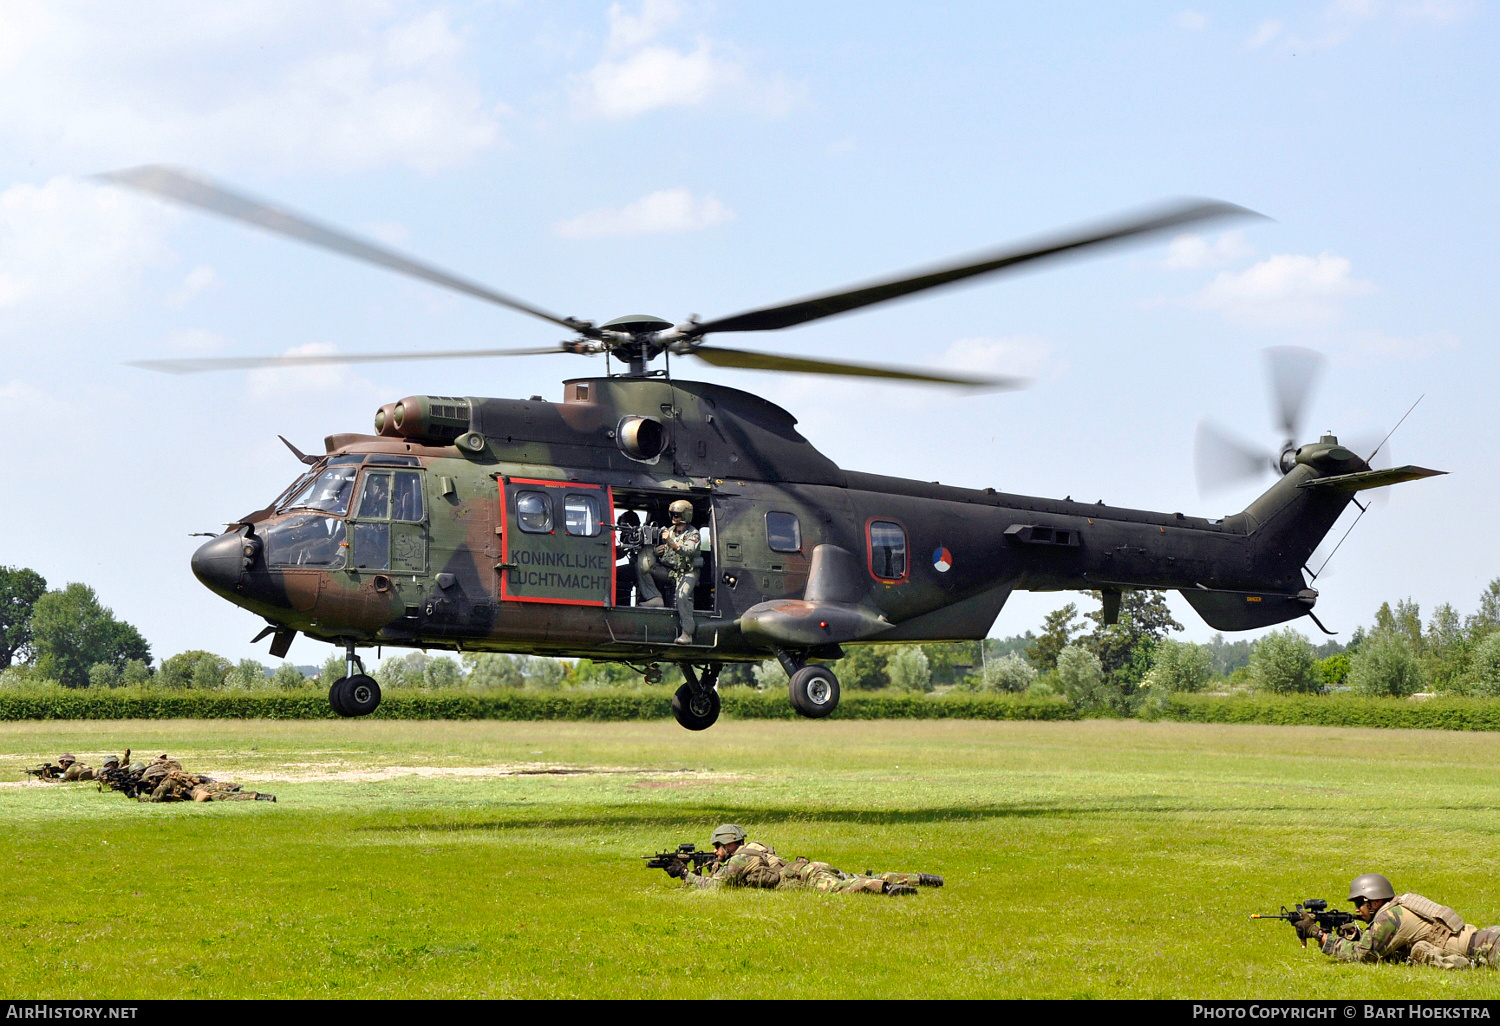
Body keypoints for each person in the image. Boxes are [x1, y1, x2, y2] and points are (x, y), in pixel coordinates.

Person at [665, 824, 942, 897]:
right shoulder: (754, 847)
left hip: (806, 877)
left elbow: (718, 888)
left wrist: (685, 875)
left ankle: (887, 889)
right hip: (810, 867)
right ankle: (924, 879)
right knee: (854, 876)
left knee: (842, 888)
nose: (715, 852)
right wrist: (706, 867)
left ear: (730, 843)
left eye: (718, 847)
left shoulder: (737, 861)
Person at [1297, 873, 1500, 969]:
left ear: (1375, 902)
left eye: (1360, 902)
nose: (1357, 909)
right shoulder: (1398, 907)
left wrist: (1320, 935)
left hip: (1488, 949)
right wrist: (1357, 935)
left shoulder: (1390, 917)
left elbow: (1364, 956)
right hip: (1487, 939)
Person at [651, 499, 702, 645]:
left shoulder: (693, 534)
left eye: (677, 515)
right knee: (646, 569)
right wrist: (656, 552)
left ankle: (687, 633)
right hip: (671, 572)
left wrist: (671, 542)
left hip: (688, 572)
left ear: (685, 516)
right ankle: (652, 599)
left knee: (682, 595)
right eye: (673, 514)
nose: (674, 517)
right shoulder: (670, 531)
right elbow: (666, 556)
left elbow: (688, 551)